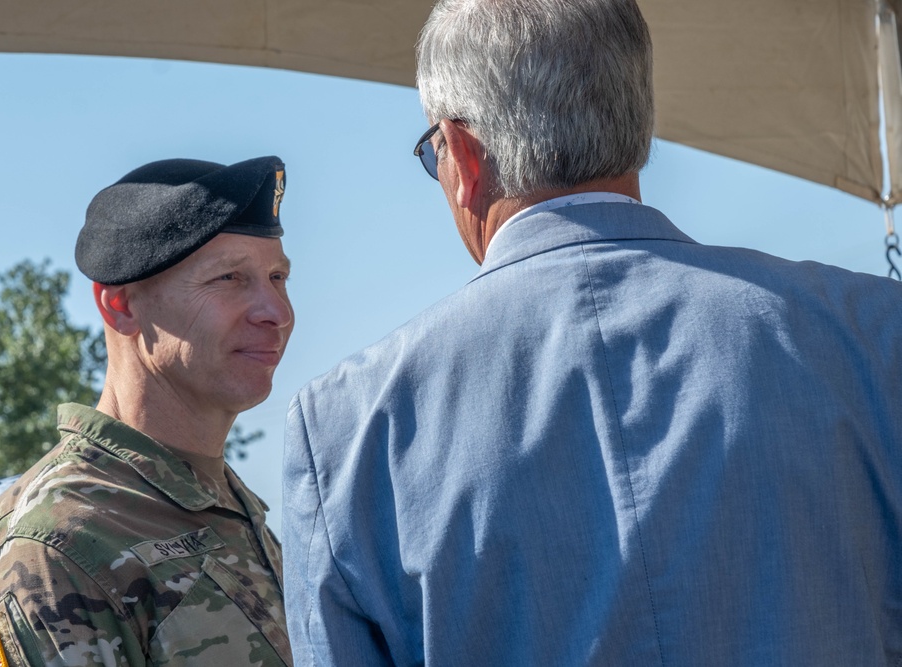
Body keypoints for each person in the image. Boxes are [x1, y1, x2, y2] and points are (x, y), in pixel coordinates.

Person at [281, 1, 902, 664]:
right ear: (636, 118)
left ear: (461, 154)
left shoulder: (347, 428)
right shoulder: (873, 330)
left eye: (433, 153)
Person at [0, 156, 295, 667]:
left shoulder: (219, 505)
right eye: (229, 278)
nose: (277, 313)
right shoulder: (56, 548)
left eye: (278, 276)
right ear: (121, 307)